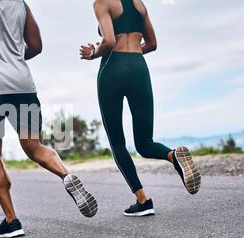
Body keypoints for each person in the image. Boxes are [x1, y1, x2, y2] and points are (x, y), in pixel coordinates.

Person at [0, 0, 97, 238]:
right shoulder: (20, 2)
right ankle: (66, 174)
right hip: (22, 84)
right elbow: (36, 46)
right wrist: (12, 59)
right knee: (34, 146)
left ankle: (12, 220)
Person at [80, 0, 201, 217]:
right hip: (138, 68)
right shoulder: (139, 4)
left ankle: (143, 200)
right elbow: (152, 44)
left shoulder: (101, 3)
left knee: (117, 142)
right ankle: (173, 156)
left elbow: (108, 42)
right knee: (145, 143)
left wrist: (92, 54)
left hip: (112, 70)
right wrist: (133, 54)